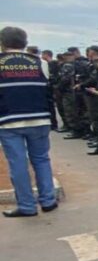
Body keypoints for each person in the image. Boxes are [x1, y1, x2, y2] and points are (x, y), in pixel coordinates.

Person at [0, 27, 58, 217]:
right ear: (24, 42)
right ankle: (48, 201)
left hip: (9, 121)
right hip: (39, 118)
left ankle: (27, 206)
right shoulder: (39, 62)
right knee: (41, 159)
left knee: (18, 164)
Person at [81, 45, 98, 148]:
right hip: (90, 92)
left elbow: (94, 79)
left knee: (97, 117)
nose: (88, 54)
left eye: (90, 52)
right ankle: (97, 136)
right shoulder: (91, 63)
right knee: (93, 117)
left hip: (96, 93)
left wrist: (82, 84)